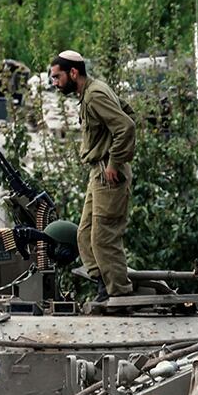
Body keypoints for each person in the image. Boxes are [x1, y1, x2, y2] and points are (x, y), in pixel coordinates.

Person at [49, 50, 135, 299]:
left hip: (109, 175)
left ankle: (119, 293)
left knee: (103, 238)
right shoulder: (93, 91)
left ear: (73, 73)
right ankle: (102, 283)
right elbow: (126, 111)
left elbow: (126, 125)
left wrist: (114, 162)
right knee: (84, 234)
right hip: (98, 174)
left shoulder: (95, 95)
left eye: (57, 77)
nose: (55, 83)